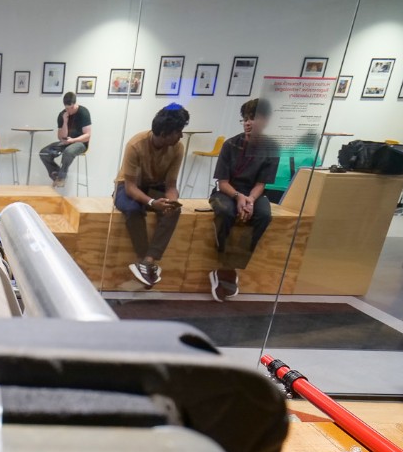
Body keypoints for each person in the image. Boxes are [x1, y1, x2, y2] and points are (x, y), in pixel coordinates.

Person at [209, 97, 280, 302]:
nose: (248, 123)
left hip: (253, 193)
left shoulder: (271, 147)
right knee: (226, 212)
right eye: (245, 119)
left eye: (253, 118)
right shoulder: (231, 144)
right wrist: (238, 197)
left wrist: (249, 200)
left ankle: (232, 265)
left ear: (265, 121)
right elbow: (222, 182)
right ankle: (224, 265)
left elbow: (262, 183)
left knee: (264, 215)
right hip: (228, 191)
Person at [113, 105, 190, 287]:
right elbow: (130, 187)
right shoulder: (135, 145)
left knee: (174, 211)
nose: (181, 136)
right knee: (132, 209)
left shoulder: (177, 148)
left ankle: (148, 261)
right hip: (128, 186)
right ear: (164, 133)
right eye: (178, 131)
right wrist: (152, 202)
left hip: (156, 187)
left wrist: (171, 201)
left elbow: (171, 185)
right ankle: (142, 258)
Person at [39, 92, 92, 189]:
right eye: (67, 108)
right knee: (44, 152)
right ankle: (57, 175)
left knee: (68, 152)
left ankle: (61, 177)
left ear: (75, 104)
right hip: (67, 142)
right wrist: (65, 121)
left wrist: (73, 140)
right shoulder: (62, 115)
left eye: (71, 107)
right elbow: (60, 136)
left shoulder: (83, 112)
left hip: (80, 143)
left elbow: (87, 135)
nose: (69, 110)